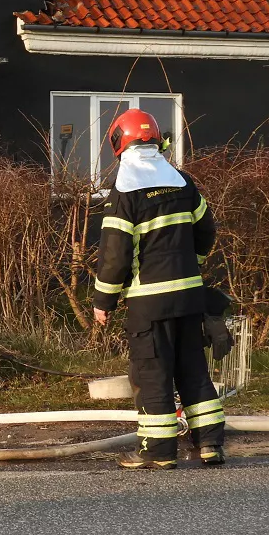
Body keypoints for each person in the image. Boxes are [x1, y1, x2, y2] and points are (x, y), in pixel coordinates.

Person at [91, 109, 225, 469]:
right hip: (190, 296)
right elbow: (206, 232)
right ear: (156, 141)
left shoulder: (125, 191)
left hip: (149, 303)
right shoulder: (183, 182)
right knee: (193, 368)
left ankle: (158, 450)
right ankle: (210, 444)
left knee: (152, 373)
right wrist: (188, 261)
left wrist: (104, 300)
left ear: (119, 142)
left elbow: (115, 255)